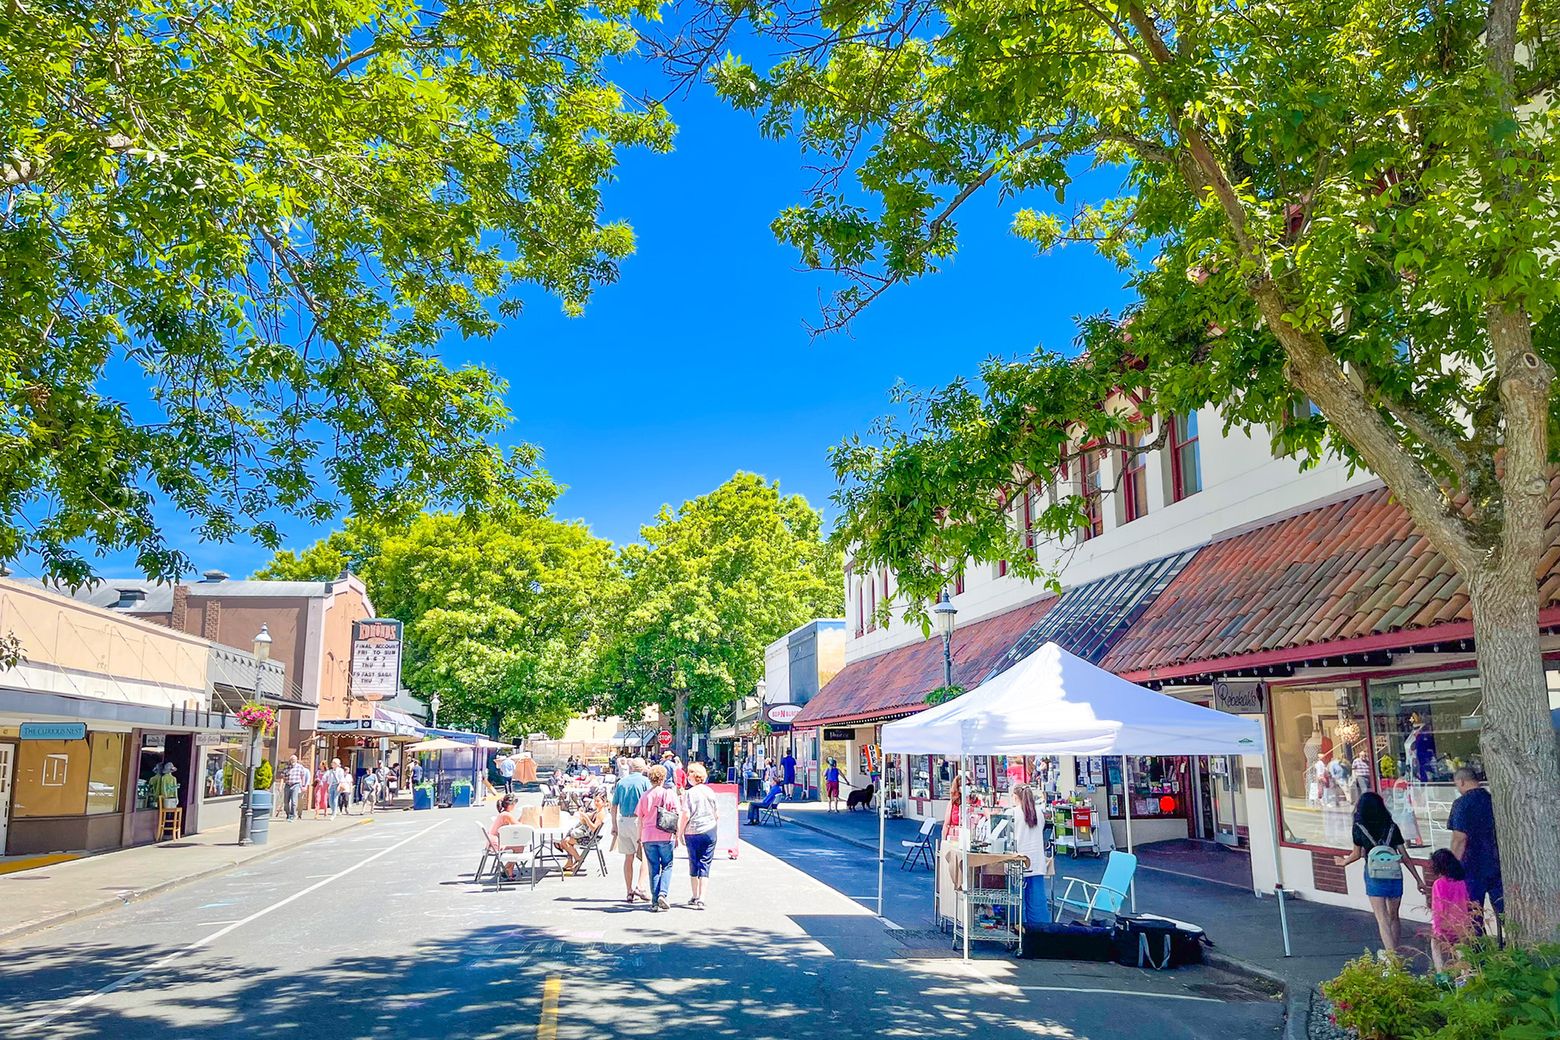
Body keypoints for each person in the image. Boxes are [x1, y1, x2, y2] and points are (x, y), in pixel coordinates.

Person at [1334, 791, 1425, 956]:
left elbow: (1356, 854)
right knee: (1394, 916)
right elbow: (1405, 856)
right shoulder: (1391, 826)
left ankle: (1391, 959)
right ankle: (1395, 951)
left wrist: (1343, 862)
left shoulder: (1359, 827)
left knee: (1382, 919)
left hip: (1374, 875)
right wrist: (1418, 879)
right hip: (1394, 876)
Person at [1448, 767, 1502, 938]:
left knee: (1473, 916)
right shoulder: (1492, 800)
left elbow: (1459, 838)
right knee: (1504, 912)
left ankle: (1481, 957)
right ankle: (1513, 950)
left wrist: (1452, 866)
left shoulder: (1462, 803)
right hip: (1497, 863)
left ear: (1461, 781)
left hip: (1472, 866)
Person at [639, 764, 684, 912]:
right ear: (663, 778)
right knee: (667, 865)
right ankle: (663, 894)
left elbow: (640, 818)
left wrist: (640, 837)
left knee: (653, 867)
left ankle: (654, 901)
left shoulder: (645, 795)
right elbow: (676, 814)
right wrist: (677, 834)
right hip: (665, 834)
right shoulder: (668, 794)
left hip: (648, 835)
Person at [1425, 848, 1476, 972]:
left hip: (1445, 923)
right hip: (1462, 924)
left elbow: (1438, 907)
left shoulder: (1438, 884)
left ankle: (1441, 974)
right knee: (1461, 950)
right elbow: (1467, 901)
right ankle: (1466, 976)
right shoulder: (1461, 883)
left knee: (1435, 945)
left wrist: (1437, 928)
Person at [610, 757, 651, 903]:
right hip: (638, 821)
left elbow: (614, 806)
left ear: (631, 767)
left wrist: (614, 825)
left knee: (628, 857)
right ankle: (641, 886)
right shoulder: (646, 782)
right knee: (646, 857)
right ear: (643, 768)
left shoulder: (621, 783)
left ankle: (629, 891)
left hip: (623, 821)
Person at [1011, 784, 1052, 926]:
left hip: (1017, 862)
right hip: (1036, 862)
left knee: (1016, 902)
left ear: (1016, 797)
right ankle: (1040, 936)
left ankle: (1018, 934)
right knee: (1037, 905)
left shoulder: (1013, 813)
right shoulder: (1039, 813)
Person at [680, 762, 719, 909]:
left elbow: (686, 814)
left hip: (693, 831)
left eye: (689, 773)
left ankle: (695, 895)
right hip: (709, 830)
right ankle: (702, 897)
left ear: (693, 776)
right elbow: (717, 814)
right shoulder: (710, 792)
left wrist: (680, 832)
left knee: (694, 862)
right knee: (705, 863)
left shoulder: (689, 793)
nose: (687, 776)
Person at [560, 790, 607, 875]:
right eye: (595, 801)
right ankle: (572, 860)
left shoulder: (601, 814)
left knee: (565, 841)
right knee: (565, 840)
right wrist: (583, 815)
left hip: (592, 838)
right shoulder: (597, 811)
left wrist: (586, 817)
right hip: (590, 836)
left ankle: (578, 859)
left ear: (604, 802)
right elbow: (584, 821)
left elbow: (593, 828)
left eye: (598, 801)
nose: (596, 803)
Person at [282, 755, 310, 821]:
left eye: (294, 760)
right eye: (291, 760)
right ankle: (288, 814)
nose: (293, 761)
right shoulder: (287, 767)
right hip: (288, 785)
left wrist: (303, 785)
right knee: (286, 802)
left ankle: (293, 815)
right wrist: (282, 784)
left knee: (294, 801)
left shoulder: (300, 767)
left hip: (296, 784)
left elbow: (302, 776)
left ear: (296, 760)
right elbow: (283, 776)